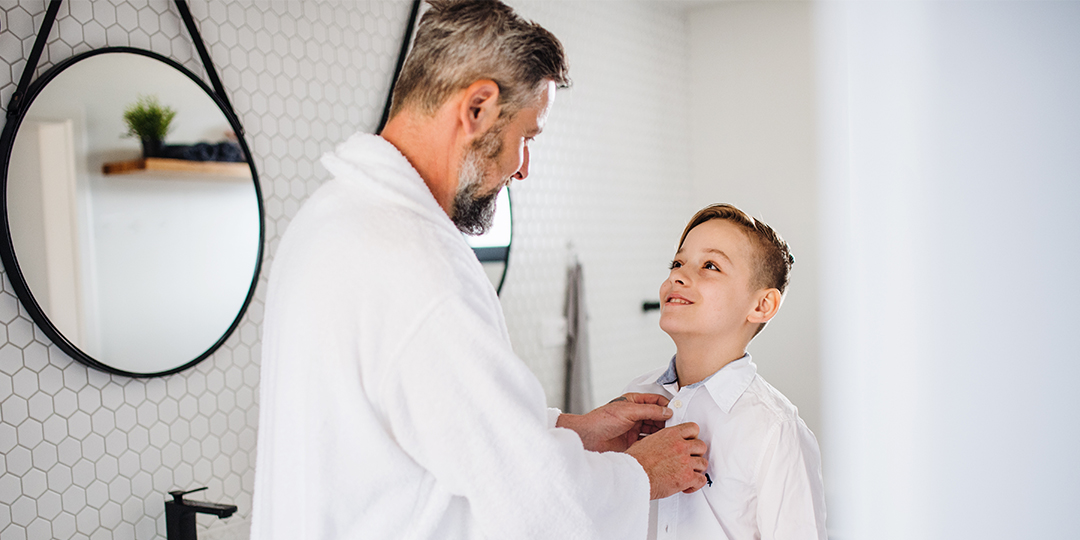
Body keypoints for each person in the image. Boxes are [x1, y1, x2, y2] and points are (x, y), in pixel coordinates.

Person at [250, 1, 708, 539]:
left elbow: (437, 425)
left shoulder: (330, 218)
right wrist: (639, 477)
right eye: (526, 137)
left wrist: (570, 431)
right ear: (478, 108)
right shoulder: (417, 265)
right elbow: (535, 499)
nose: (523, 168)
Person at [623, 204, 827, 539]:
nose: (677, 275)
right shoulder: (637, 400)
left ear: (762, 305)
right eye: (677, 263)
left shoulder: (775, 430)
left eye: (710, 266)